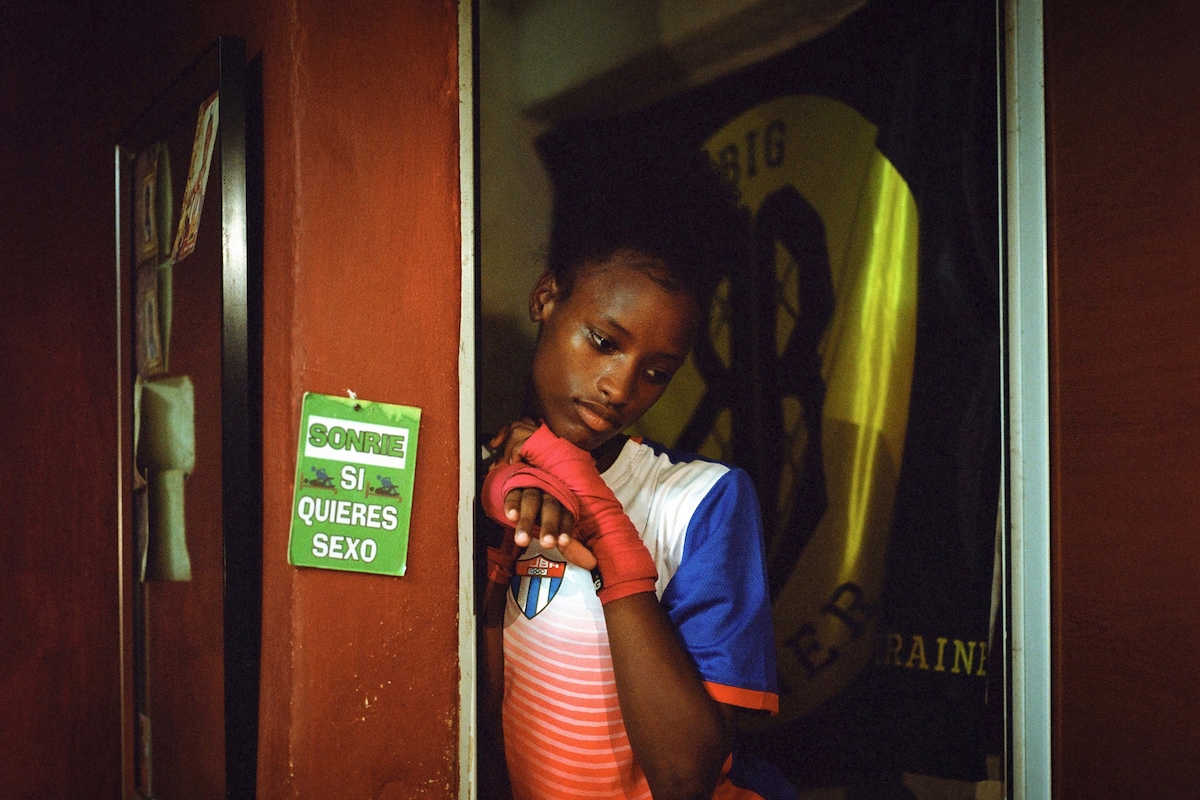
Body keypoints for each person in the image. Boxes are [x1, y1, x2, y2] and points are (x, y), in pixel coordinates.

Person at [479, 150, 786, 800]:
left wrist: (599, 517)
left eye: (657, 372)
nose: (620, 387)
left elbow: (685, 776)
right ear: (546, 298)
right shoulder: (490, 479)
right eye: (604, 341)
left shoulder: (701, 501)